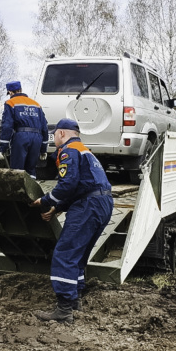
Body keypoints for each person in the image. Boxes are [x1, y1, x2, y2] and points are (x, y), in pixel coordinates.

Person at [30, 118, 114, 323]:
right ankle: (75, 300)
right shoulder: (85, 150)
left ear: (60, 134)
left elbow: (68, 183)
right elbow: (85, 185)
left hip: (88, 206)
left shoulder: (68, 151)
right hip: (102, 203)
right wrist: (59, 207)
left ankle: (64, 309)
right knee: (78, 253)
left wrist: (47, 200)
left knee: (65, 253)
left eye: (55, 137)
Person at [0, 81, 49, 178]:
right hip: (37, 138)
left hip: (21, 137)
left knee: (17, 170)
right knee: (31, 169)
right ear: (21, 90)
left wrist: (2, 147)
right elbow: (44, 127)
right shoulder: (36, 104)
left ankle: (17, 191)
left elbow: (7, 126)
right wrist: (43, 149)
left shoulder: (10, 103)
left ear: (10, 92)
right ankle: (31, 190)